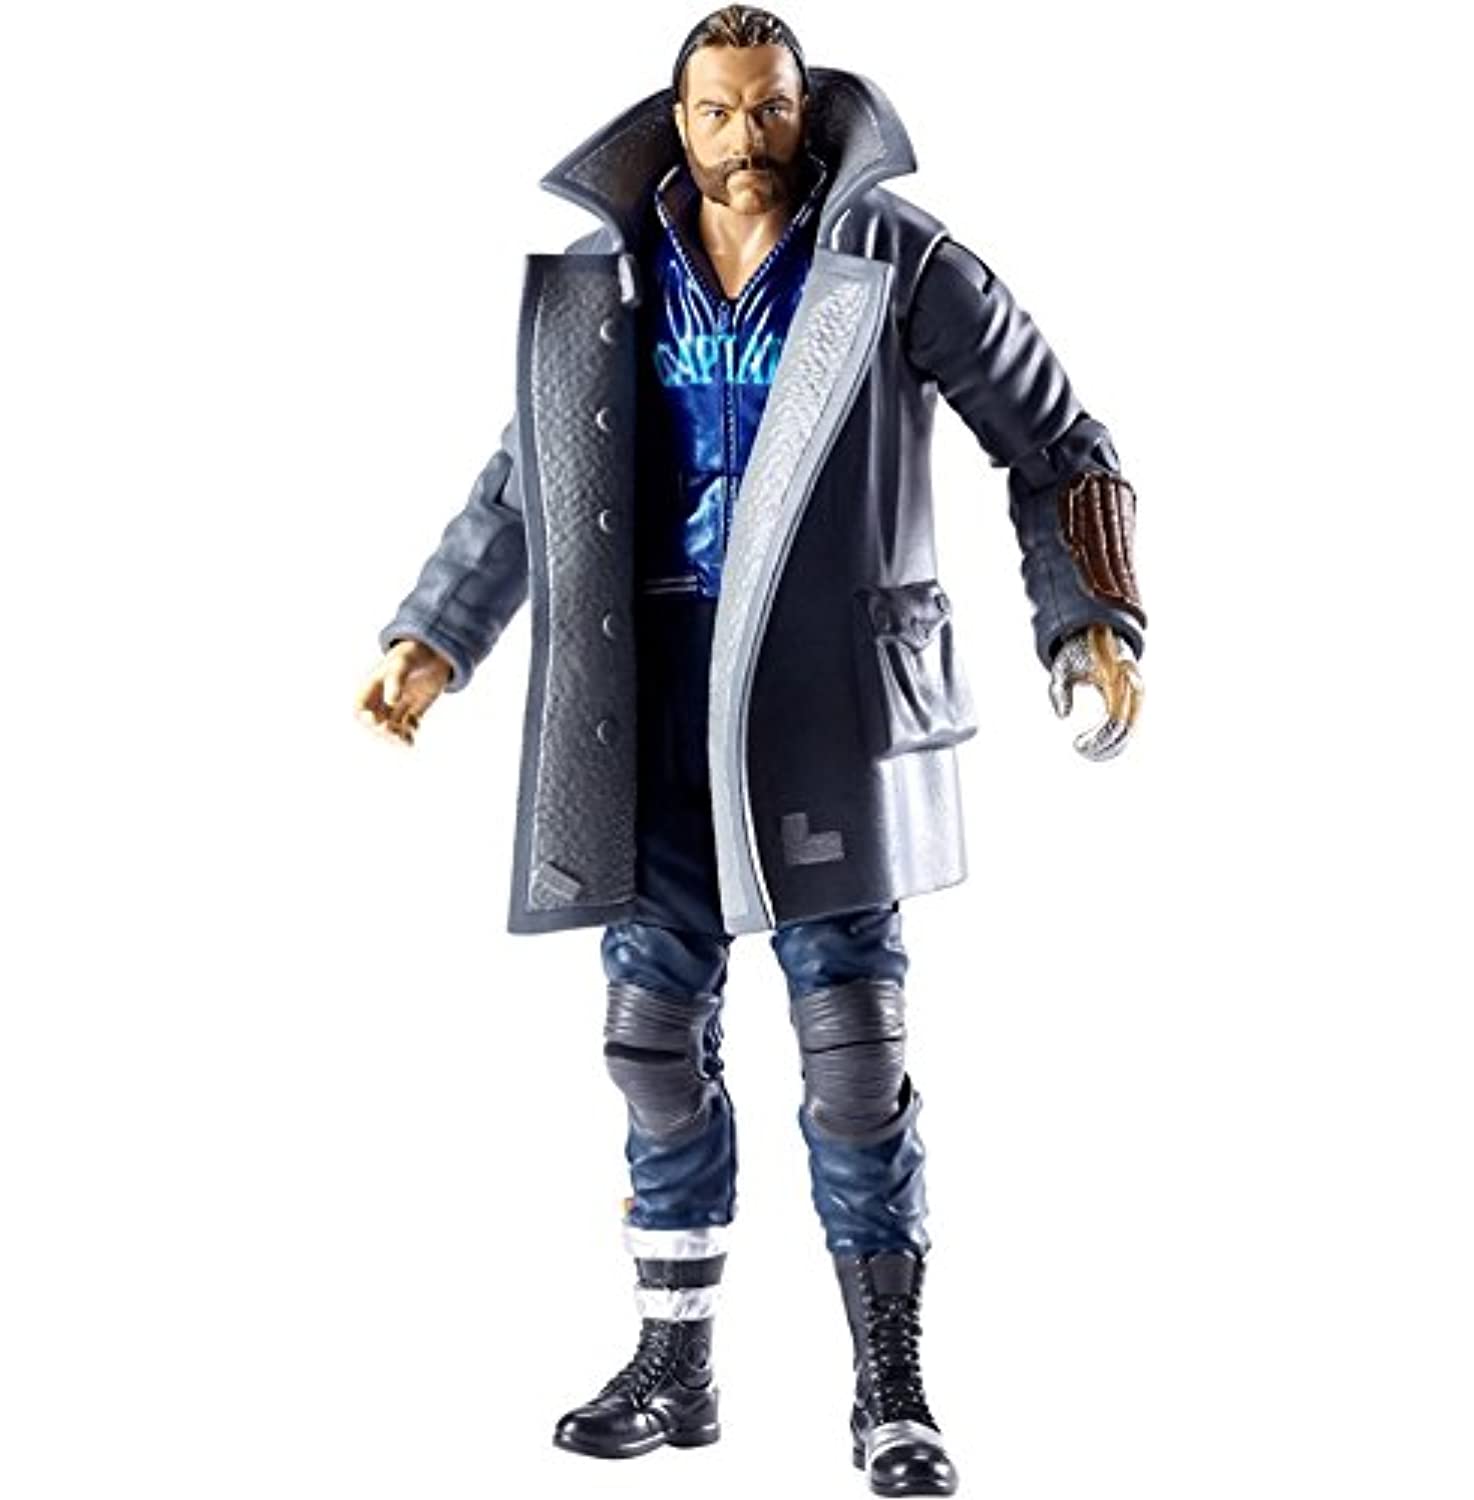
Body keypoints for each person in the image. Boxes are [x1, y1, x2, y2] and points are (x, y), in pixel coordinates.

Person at [356, 8, 1146, 1494]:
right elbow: (529, 480)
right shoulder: (609, 277)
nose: (744, 140)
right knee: (650, 1042)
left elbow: (1058, 441)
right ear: (679, 119)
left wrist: (1090, 618)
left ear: (807, 109)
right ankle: (676, 1363)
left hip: (824, 704)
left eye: (769, 109)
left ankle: (891, 1386)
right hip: (644, 699)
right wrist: (435, 635)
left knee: (854, 1055)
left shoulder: (893, 260)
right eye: (716, 113)